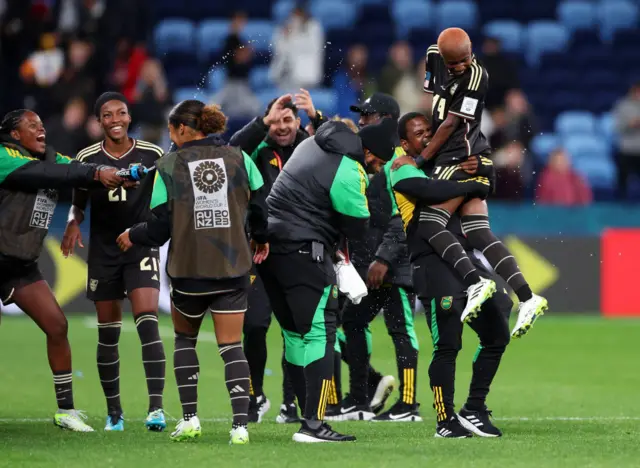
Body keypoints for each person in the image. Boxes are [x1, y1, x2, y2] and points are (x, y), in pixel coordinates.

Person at [116, 100, 269, 446]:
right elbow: (259, 207)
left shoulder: (168, 165)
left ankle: (189, 420)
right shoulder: (240, 158)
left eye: (171, 131)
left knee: (185, 340)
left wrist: (132, 234)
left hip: (189, 271)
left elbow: (158, 229)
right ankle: (240, 427)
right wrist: (261, 238)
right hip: (232, 269)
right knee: (232, 346)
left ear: (182, 129)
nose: (170, 137)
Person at [392, 28, 547, 338]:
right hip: (464, 160)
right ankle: (528, 298)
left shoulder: (477, 76)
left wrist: (421, 161)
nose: (461, 67)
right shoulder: (435, 59)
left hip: (458, 160)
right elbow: (432, 93)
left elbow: (451, 124)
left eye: (464, 60)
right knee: (478, 232)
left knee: (431, 223)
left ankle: (476, 282)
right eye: (454, 64)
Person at [258, 117, 390, 443]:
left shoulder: (311, 144)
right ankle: (314, 425)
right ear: (369, 150)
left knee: (294, 333)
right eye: (378, 161)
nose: (376, 168)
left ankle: (305, 416)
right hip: (306, 250)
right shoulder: (349, 167)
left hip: (271, 250)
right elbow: (359, 226)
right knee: (321, 333)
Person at [0, 109, 124, 432]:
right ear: (15, 135)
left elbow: (77, 171)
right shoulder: (4, 156)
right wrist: (95, 175)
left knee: (57, 326)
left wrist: (117, 173)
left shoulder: (53, 159)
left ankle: (66, 411)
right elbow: (48, 175)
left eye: (43, 125)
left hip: (19, 265)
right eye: (32, 126)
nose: (42, 130)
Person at [391, 111, 512, 438]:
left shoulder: (445, 162)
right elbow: (428, 192)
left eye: (430, 130)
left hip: (461, 259)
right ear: (405, 143)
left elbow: (487, 184)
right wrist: (474, 179)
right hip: (431, 263)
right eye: (419, 133)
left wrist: (484, 169)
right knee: (447, 344)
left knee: (498, 328)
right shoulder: (400, 166)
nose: (427, 137)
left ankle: (474, 408)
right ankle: (445, 421)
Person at [60, 92, 167, 432]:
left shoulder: (153, 153)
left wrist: (151, 229)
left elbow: (166, 197)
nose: (116, 119)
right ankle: (115, 413)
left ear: (129, 116)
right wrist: (73, 222)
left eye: (121, 112)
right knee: (108, 333)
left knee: (147, 320)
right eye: (108, 115)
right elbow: (78, 200)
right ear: (100, 121)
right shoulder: (86, 157)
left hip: (140, 246)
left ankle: (156, 409)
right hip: (104, 251)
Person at [229, 91, 326, 424]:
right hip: (258, 250)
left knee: (296, 329)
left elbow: (341, 148)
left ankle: (296, 404)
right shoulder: (258, 147)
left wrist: (317, 116)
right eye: (276, 120)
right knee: (254, 325)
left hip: (299, 249)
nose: (282, 127)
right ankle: (256, 395)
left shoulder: (311, 146)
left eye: (288, 120)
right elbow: (233, 150)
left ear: (298, 122)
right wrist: (262, 121)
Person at [341, 93, 413, 417]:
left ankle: (409, 404)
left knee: (401, 330)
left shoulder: (399, 162)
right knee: (351, 322)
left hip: (394, 265)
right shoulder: (370, 158)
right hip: (368, 265)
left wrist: (383, 259)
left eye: (367, 115)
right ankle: (360, 396)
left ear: (384, 118)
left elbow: (401, 217)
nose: (360, 120)